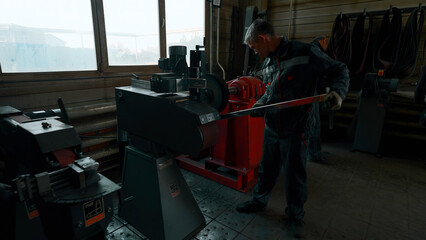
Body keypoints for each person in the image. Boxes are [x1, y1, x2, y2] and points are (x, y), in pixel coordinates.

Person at [235, 19, 349, 238]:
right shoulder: (267, 63)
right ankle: (259, 201)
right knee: (266, 170)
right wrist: (261, 103)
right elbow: (270, 90)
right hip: (272, 128)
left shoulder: (305, 53)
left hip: (296, 129)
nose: (255, 52)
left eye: (253, 47)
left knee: (294, 175)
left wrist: (338, 93)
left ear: (262, 38)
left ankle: (296, 216)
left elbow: (339, 70)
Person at [307, 36, 330, 164]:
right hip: (311, 92)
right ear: (323, 41)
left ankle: (309, 151)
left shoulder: (306, 49)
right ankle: (314, 154)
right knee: (314, 124)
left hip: (300, 91)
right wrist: (324, 93)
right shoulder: (317, 52)